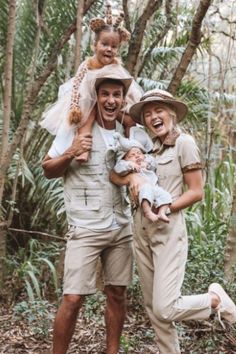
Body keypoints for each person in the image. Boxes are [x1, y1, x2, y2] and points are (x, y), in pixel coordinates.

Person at [111, 89, 236, 354]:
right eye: (147, 113)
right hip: (141, 230)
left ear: (171, 113)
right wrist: (132, 177)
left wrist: (166, 205)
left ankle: (215, 301)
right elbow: (115, 175)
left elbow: (196, 191)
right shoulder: (144, 148)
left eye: (159, 110)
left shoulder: (184, 143)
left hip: (167, 229)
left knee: (165, 307)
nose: (153, 116)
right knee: (153, 309)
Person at [42, 71, 134, 354]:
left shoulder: (125, 131)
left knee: (117, 293)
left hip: (121, 226)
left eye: (116, 95)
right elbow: (47, 170)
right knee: (72, 298)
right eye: (105, 94)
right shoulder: (76, 127)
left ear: (122, 99)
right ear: (97, 96)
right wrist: (71, 151)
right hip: (85, 227)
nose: (110, 100)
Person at [40, 3, 141, 162]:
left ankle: (133, 148)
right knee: (88, 114)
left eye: (114, 46)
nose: (109, 49)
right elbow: (77, 83)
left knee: (131, 120)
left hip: (111, 102)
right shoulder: (88, 65)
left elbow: (126, 87)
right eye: (104, 44)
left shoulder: (116, 66)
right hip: (87, 100)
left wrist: (124, 102)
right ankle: (83, 150)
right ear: (95, 46)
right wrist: (75, 106)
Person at [112, 133, 172, 223]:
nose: (136, 156)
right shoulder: (126, 165)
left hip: (154, 187)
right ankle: (147, 212)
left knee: (165, 195)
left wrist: (147, 164)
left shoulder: (146, 160)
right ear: (125, 159)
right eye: (132, 155)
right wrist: (130, 165)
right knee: (146, 190)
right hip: (142, 188)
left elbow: (153, 163)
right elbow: (118, 169)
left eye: (139, 153)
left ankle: (162, 212)